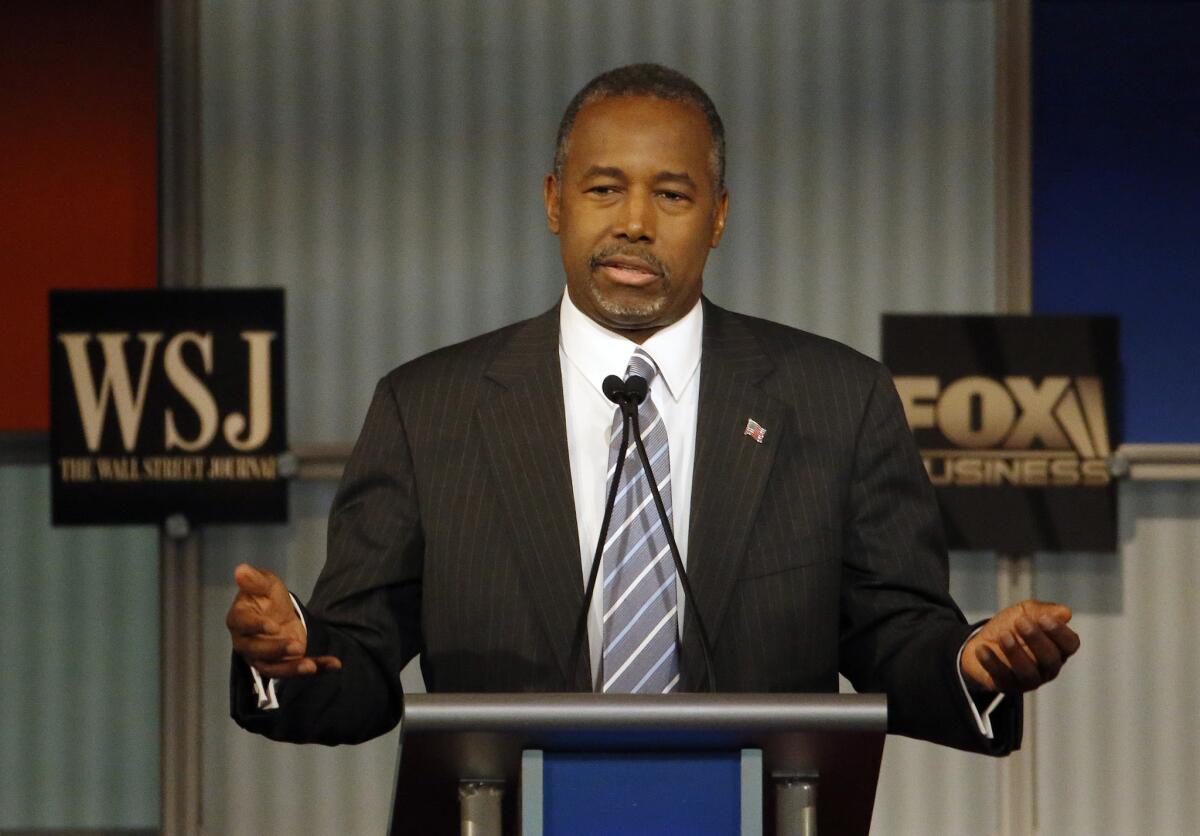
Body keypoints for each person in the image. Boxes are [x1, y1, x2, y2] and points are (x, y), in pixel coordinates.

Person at [228, 64, 1078, 754]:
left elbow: (894, 635)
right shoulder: (430, 409)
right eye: (605, 190)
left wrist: (970, 663)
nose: (635, 223)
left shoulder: (836, 400)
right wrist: (291, 654)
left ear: (718, 218)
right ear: (555, 200)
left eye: (672, 196)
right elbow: (361, 661)